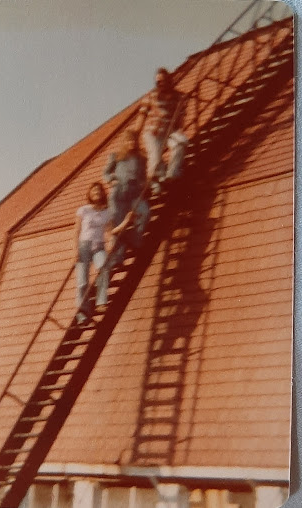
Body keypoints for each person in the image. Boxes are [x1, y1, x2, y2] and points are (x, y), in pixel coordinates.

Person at [75, 182, 127, 325]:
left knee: (104, 267)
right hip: (84, 245)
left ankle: (101, 301)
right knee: (82, 282)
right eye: (94, 191)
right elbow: (77, 231)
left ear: (102, 194)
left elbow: (111, 231)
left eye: (99, 190)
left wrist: (127, 221)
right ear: (90, 194)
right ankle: (82, 313)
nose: (96, 192)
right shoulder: (83, 210)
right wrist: (75, 250)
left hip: (98, 246)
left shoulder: (106, 212)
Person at [135, 67, 188, 193]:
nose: (160, 84)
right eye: (158, 82)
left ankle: (172, 173)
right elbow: (142, 115)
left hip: (169, 131)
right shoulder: (151, 96)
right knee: (155, 156)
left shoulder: (178, 97)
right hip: (153, 132)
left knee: (181, 142)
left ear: (168, 81)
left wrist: (180, 128)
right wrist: (135, 134)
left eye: (163, 81)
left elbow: (181, 117)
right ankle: (156, 181)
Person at [103, 129, 150, 266]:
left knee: (145, 212)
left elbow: (144, 175)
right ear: (124, 142)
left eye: (134, 140)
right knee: (118, 222)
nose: (131, 143)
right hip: (119, 193)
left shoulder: (141, 158)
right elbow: (105, 173)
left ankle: (135, 238)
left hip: (135, 192)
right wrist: (112, 180)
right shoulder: (116, 156)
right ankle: (118, 256)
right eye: (128, 140)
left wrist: (143, 182)